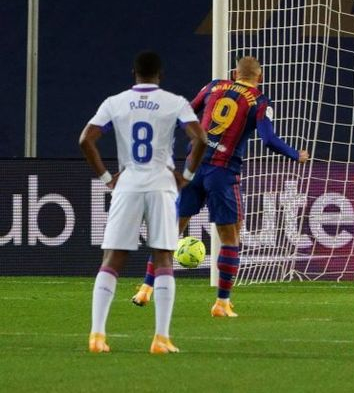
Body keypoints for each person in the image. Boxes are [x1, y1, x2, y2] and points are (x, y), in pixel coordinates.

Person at [131, 56, 310, 317]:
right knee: (230, 237)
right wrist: (296, 155)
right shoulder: (259, 101)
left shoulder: (214, 86)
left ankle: (145, 288)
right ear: (259, 77)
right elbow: (268, 140)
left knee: (172, 231)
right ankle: (222, 303)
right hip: (222, 172)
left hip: (194, 166)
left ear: (235, 73)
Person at [79, 51, 206, 354]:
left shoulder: (115, 102)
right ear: (160, 75)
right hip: (162, 184)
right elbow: (200, 138)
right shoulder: (174, 102)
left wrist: (108, 178)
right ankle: (161, 338)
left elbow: (86, 139)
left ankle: (97, 335)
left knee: (112, 259)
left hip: (129, 184)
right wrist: (186, 175)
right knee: (163, 258)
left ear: (133, 73)